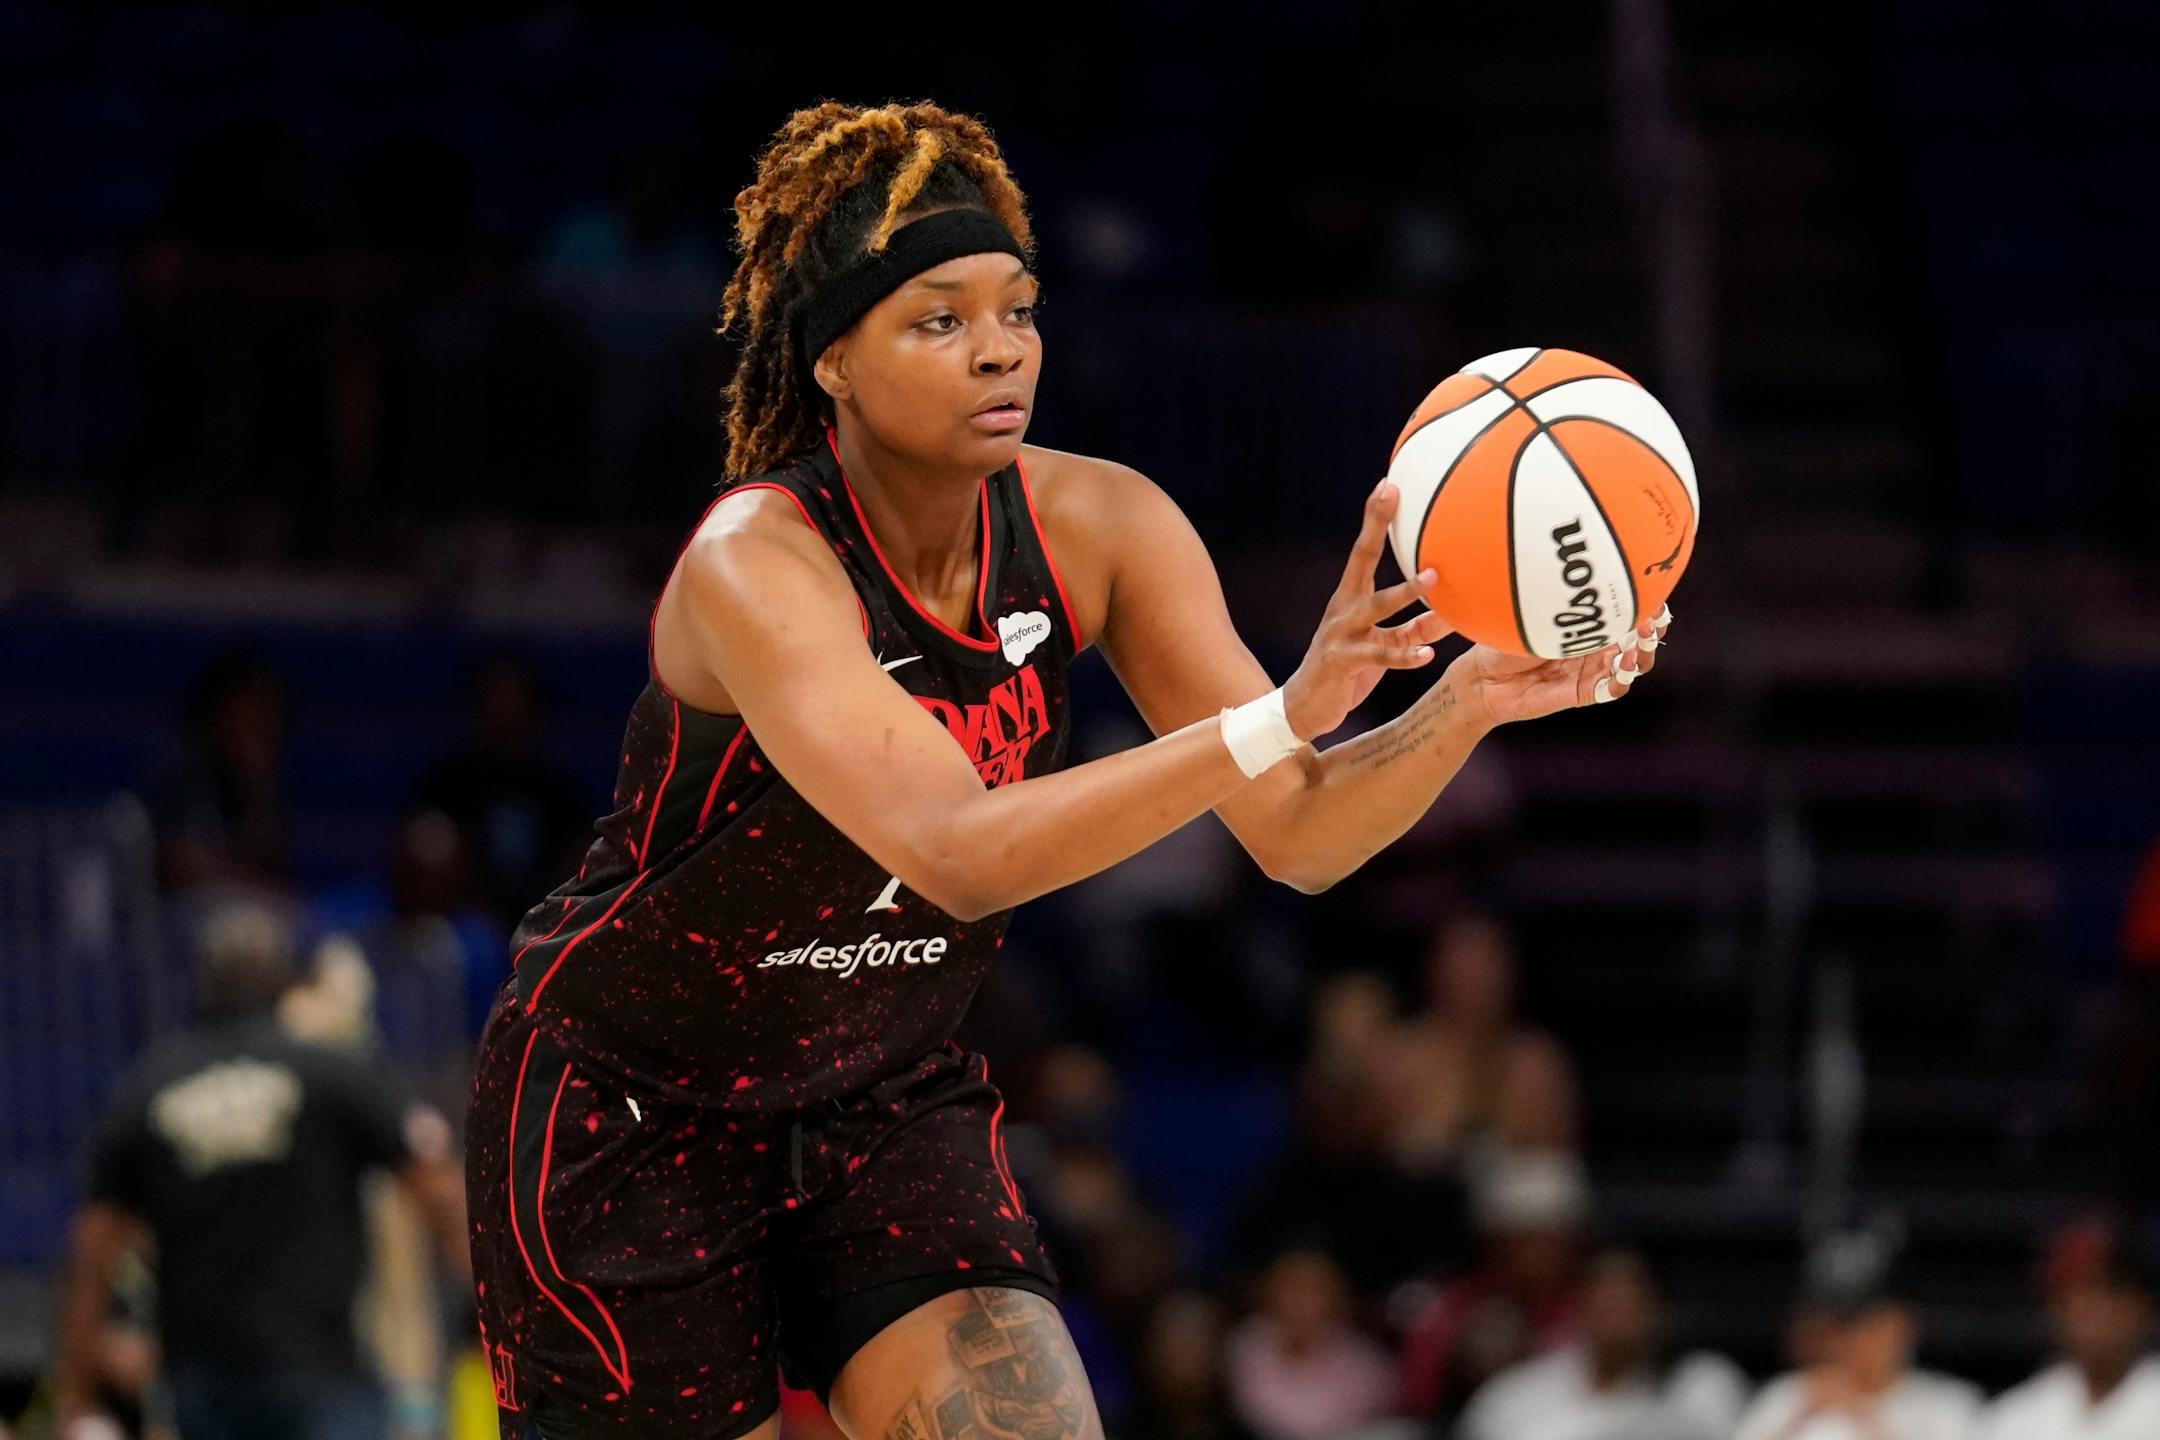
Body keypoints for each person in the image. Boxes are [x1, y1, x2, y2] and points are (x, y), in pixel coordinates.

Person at [464, 99, 1669, 1440]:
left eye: (1019, 311)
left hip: (880, 1099)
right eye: (939, 319)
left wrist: (1465, 702)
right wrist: (1274, 717)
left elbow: (1298, 834)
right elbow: (957, 847)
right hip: (633, 1108)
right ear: (834, 364)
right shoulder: (756, 562)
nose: (999, 350)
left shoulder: (1104, 524)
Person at [53, 901, 466, 1440]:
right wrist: (490, 1307)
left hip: (204, 1381)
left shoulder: (147, 1091)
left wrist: (77, 1392)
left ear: (201, 981)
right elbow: (438, 1187)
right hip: (323, 1371)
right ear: (286, 982)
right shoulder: (331, 1073)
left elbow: (92, 1254)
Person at [1456, 1246, 1747, 1440]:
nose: (1616, 1317)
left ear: (1658, 1310)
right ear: (1580, 1309)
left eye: (1628, 1302)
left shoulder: (1703, 1385)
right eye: (1604, 1303)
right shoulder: (1511, 1396)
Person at [1732, 1241, 1981, 1440]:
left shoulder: (1948, 1405)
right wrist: (1798, 1418)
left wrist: (1862, 1414)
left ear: (1902, 1322)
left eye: (1863, 1321)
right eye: (1837, 1323)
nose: (1846, 1339)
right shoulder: (1787, 1396)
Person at [1973, 1224, 2160, 1439]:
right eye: (2079, 1295)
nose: (2096, 1310)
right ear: (2054, 1308)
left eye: (2113, 1293)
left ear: (2143, 1305)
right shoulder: (2013, 1416)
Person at [1222, 1251, 1396, 1440]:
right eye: (1291, 1289)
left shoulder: (1366, 1362)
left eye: (1313, 1291)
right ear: (1269, 1294)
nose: (1300, 1302)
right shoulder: (1244, 1347)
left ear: (1335, 1299)